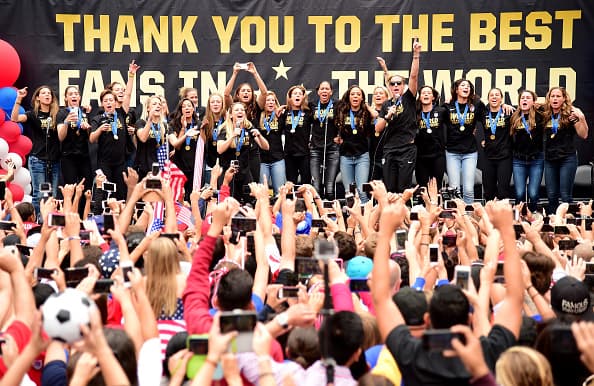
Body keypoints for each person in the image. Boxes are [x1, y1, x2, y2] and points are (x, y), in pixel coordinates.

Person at [372, 189, 523, 385]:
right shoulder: (488, 352)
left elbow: (381, 297)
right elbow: (515, 298)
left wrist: (385, 232)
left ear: (427, 319)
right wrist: (507, 231)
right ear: (470, 318)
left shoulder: (411, 354)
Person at [374, 39, 421, 192]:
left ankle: (403, 216)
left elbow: (413, 76)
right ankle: (390, 216)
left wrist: (416, 55)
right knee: (389, 189)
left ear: (403, 86)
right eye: (392, 84)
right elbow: (378, 128)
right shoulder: (387, 104)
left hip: (406, 149)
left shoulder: (408, 98)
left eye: (398, 83)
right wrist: (387, 116)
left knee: (403, 189)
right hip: (389, 149)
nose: (395, 86)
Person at [11, 85, 60, 216]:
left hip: (55, 160)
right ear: (38, 98)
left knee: (53, 194)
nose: (47, 95)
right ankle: (38, 223)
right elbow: (14, 118)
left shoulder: (57, 114)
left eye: (49, 93)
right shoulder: (33, 114)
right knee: (39, 194)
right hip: (38, 159)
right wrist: (19, 99)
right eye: (43, 93)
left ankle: (50, 223)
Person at [543, 86, 588, 213]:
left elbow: (584, 135)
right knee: (551, 196)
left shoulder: (570, 114)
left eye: (558, 96)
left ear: (564, 99)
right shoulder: (545, 114)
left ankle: (566, 226)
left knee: (565, 196)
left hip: (567, 158)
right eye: (553, 96)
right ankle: (553, 226)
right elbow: (529, 105)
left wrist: (582, 118)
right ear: (549, 99)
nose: (555, 99)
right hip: (550, 159)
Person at [443, 79, 486, 204]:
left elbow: (489, 116)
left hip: (470, 152)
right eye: (462, 85)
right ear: (456, 90)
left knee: (468, 189)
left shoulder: (476, 106)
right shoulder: (448, 106)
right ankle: (455, 218)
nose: (466, 87)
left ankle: (468, 217)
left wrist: (503, 105)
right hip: (452, 152)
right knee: (454, 189)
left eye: (468, 86)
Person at [217, 102, 269, 201]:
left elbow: (266, 147)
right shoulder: (224, 129)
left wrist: (259, 136)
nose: (240, 112)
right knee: (229, 202)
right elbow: (219, 150)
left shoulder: (249, 127)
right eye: (237, 110)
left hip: (245, 171)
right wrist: (232, 135)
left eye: (242, 110)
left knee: (249, 201)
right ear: (231, 115)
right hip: (229, 172)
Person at [89, 89, 133, 199]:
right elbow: (91, 139)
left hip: (120, 163)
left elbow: (128, 94)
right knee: (105, 194)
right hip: (105, 164)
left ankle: (121, 215)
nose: (108, 103)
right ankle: (105, 216)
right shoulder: (98, 119)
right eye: (105, 101)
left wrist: (131, 73)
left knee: (121, 194)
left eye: (111, 100)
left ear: (115, 102)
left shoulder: (121, 114)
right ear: (102, 104)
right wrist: (99, 130)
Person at [335, 85, 376, 203]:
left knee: (362, 191)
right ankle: (352, 220)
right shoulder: (342, 111)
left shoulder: (366, 112)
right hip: (346, 156)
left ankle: (366, 220)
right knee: (349, 193)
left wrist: (367, 106)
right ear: (348, 96)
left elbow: (376, 115)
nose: (355, 96)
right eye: (353, 94)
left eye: (358, 94)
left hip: (362, 156)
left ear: (362, 98)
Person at [510, 90, 545, 211]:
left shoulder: (540, 116)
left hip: (536, 160)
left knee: (533, 193)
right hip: (518, 161)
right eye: (522, 98)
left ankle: (533, 216)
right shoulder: (514, 116)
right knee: (519, 194)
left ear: (533, 102)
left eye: (528, 98)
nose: (524, 100)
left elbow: (551, 105)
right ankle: (517, 219)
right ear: (519, 102)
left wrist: (539, 104)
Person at [56, 85, 93, 194]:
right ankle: (71, 210)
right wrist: (66, 122)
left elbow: (91, 138)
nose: (74, 96)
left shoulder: (85, 112)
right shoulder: (62, 113)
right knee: (71, 188)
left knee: (86, 188)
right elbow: (60, 137)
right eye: (70, 94)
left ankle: (84, 211)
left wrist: (87, 128)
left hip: (84, 156)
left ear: (80, 97)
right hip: (68, 156)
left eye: (76, 94)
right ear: (66, 98)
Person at [310, 81, 340, 200]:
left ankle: (332, 215)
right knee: (316, 187)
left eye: (327, 89)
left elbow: (345, 119)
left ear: (331, 92)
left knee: (329, 187)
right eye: (322, 89)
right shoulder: (312, 105)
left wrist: (340, 135)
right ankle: (317, 214)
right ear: (318, 92)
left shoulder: (337, 105)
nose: (324, 91)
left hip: (332, 148)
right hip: (315, 149)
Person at [481, 88, 513, 201]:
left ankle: (502, 217)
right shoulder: (483, 112)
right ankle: (489, 217)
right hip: (488, 157)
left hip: (504, 157)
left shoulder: (508, 112)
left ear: (501, 99)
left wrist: (506, 105)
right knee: (489, 191)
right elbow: (472, 101)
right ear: (488, 99)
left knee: (503, 191)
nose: (494, 97)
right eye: (491, 95)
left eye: (497, 95)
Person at [279, 85, 313, 185]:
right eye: (294, 94)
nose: (297, 96)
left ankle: (306, 200)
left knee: (306, 184)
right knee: (290, 183)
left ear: (303, 97)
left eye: (300, 94)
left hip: (304, 154)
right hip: (289, 155)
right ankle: (291, 201)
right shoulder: (284, 113)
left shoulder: (308, 112)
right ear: (290, 97)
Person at [169, 97, 202, 201]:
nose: (187, 108)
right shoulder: (174, 125)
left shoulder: (199, 125)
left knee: (193, 197)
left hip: (195, 167)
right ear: (181, 110)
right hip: (179, 165)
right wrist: (184, 130)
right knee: (179, 196)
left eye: (189, 106)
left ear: (193, 109)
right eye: (184, 106)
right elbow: (176, 145)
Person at [414, 85, 447, 188]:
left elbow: (454, 125)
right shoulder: (415, 113)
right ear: (420, 97)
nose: (426, 94)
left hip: (438, 156)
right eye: (423, 93)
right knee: (423, 188)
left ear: (433, 97)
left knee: (436, 188)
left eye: (429, 93)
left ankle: (436, 204)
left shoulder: (441, 111)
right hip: (421, 157)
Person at [134, 95, 173, 179]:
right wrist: (150, 120)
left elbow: (175, 142)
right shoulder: (141, 123)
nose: (158, 106)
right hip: (144, 169)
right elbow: (143, 138)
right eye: (154, 104)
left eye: (159, 104)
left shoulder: (165, 126)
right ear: (148, 108)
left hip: (161, 169)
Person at [257, 91, 286, 195]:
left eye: (273, 100)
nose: (270, 102)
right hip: (261, 160)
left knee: (279, 193)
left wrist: (283, 111)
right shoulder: (258, 116)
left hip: (277, 159)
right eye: (267, 100)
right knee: (261, 193)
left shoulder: (280, 116)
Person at [201, 92, 227, 185]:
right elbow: (203, 142)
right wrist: (202, 130)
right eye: (213, 102)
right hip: (210, 162)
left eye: (218, 102)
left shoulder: (227, 120)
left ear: (222, 104)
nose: (215, 104)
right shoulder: (206, 120)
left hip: (225, 163)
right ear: (209, 105)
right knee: (211, 193)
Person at [369, 85, 390, 182]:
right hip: (372, 155)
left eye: (381, 93)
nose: (378, 95)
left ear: (386, 96)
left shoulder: (391, 112)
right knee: (373, 186)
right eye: (375, 94)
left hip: (388, 153)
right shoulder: (367, 113)